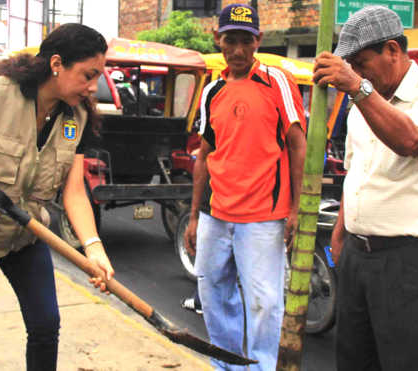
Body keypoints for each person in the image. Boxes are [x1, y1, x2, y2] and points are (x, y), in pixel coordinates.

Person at [0, 23, 114, 370]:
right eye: (88, 75)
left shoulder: (78, 117)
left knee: (45, 325)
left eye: (97, 77)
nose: (92, 87)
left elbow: (73, 192)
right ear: (57, 63)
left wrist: (94, 247)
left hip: (24, 234)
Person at [313, 6, 418, 371]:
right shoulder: (361, 104)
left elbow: (410, 141)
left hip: (409, 261)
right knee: (354, 360)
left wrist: (357, 87)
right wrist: (341, 229)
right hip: (358, 257)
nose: (359, 73)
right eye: (353, 67)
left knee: (407, 363)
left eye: (362, 63)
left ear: (393, 50)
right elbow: (358, 172)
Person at [182, 4, 307, 369]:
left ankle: (262, 366)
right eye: (230, 40)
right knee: (212, 293)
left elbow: (297, 145)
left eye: (245, 41)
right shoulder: (212, 90)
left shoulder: (277, 81)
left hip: (263, 216)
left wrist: (296, 209)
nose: (237, 50)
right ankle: (228, 364)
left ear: (258, 41)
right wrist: (193, 217)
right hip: (215, 213)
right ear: (218, 39)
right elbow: (204, 155)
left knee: (265, 302)